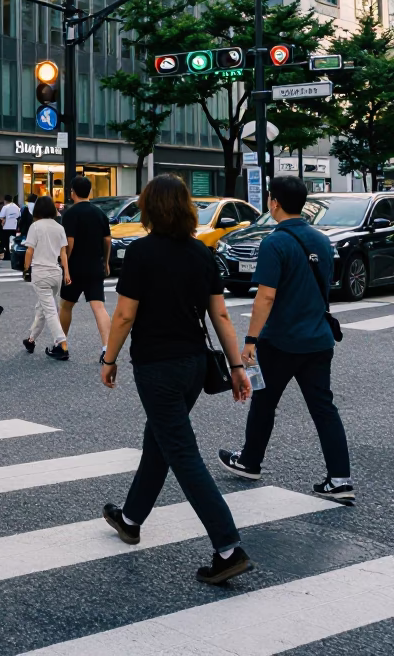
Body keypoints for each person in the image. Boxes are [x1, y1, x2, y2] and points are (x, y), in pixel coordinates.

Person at [100, 174, 253, 585]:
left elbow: (125, 315)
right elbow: (220, 315)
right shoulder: (201, 254)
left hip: (156, 366)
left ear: (149, 208)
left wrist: (108, 357)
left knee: (181, 451)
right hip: (193, 367)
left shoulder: (141, 253)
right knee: (161, 440)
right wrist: (237, 368)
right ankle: (131, 518)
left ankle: (228, 547)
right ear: (186, 208)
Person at [219, 175, 354, 504]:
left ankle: (250, 461)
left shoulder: (274, 243)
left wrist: (250, 340)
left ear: (274, 203)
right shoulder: (321, 240)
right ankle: (340, 479)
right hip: (318, 338)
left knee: (265, 402)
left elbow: (265, 296)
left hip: (280, 340)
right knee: (324, 408)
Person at [59, 175, 112, 355]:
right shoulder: (100, 213)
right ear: (90, 191)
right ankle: (106, 348)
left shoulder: (70, 213)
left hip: (75, 267)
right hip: (95, 266)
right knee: (99, 306)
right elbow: (107, 240)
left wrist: (66, 265)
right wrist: (105, 262)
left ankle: (62, 345)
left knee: (66, 305)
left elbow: (70, 242)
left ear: (72, 192)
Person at [22, 196, 71, 358]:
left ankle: (61, 343)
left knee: (49, 310)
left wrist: (26, 269)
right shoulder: (59, 227)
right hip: (56, 273)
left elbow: (30, 251)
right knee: (43, 308)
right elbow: (63, 253)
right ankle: (31, 339)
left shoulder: (35, 227)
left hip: (41, 273)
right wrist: (67, 273)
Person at [0, 194, 20, 259]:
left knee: (6, 242)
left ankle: (7, 255)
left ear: (5, 200)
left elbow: (1, 216)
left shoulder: (5, 207)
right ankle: (13, 254)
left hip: (6, 227)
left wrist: (4, 219)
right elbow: (19, 215)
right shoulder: (16, 207)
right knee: (13, 241)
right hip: (14, 226)